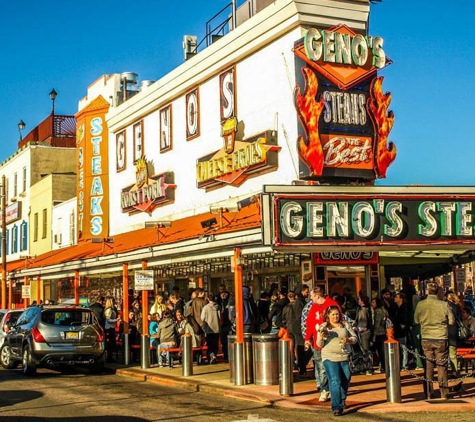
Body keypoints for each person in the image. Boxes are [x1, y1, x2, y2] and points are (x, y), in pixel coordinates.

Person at [414, 282, 454, 400]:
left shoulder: (421, 305)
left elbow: (416, 320)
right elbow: (451, 321)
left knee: (429, 366)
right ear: (437, 291)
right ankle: (444, 393)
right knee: (442, 366)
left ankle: (429, 393)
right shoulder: (444, 305)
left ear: (427, 291)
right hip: (441, 337)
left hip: (426, 337)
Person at [316, 305, 357, 417]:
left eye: (337, 314)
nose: (335, 316)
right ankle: (336, 407)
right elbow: (319, 344)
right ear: (328, 316)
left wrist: (348, 340)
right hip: (329, 357)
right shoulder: (324, 327)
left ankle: (342, 400)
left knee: (345, 379)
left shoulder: (345, 325)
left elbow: (355, 338)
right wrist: (321, 336)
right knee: (335, 380)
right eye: (333, 314)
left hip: (344, 356)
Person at [304, 286, 340, 402]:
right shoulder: (313, 308)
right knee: (320, 366)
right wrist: (307, 338)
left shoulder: (332, 305)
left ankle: (329, 388)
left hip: (330, 341)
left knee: (329, 366)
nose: (311, 297)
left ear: (317, 295)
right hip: (317, 341)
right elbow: (309, 323)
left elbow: (339, 320)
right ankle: (324, 388)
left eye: (312, 295)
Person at [282, 292, 305, 375]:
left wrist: (285, 325)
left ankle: (292, 364)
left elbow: (283, 318)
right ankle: (302, 367)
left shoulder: (286, 307)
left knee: (291, 347)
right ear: (295, 296)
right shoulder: (300, 305)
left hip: (289, 328)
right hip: (298, 328)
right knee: (299, 347)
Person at [354, 294, 373, 374]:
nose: (358, 301)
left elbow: (363, 325)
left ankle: (368, 368)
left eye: (359, 299)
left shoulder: (363, 311)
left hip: (364, 333)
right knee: (365, 350)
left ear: (362, 301)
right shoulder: (366, 309)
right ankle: (366, 367)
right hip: (365, 332)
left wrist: (357, 329)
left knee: (365, 350)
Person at [201, 292, 221, 364]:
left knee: (209, 344)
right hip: (217, 328)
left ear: (208, 298)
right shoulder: (218, 306)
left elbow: (202, 318)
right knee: (215, 343)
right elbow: (220, 317)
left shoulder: (205, 308)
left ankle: (211, 355)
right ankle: (214, 355)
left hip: (209, 329)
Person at [446, 292, 462, 377]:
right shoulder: (457, 307)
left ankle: (447, 371)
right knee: (453, 353)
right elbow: (460, 319)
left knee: (444, 352)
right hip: (454, 332)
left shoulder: (445, 306)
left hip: (446, 331)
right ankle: (455, 371)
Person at [371, 297, 388, 373]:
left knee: (380, 352)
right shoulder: (384, 310)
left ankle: (383, 367)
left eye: (373, 302)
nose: (372, 304)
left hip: (379, 333)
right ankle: (384, 366)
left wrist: (374, 336)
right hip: (384, 333)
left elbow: (377, 324)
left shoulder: (377, 311)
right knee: (383, 351)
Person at [394, 292, 409, 370]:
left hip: (402, 331)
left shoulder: (403, 308)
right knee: (401, 348)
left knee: (403, 348)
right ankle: (402, 364)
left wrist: (402, 327)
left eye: (397, 297)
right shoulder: (397, 308)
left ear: (401, 299)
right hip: (397, 331)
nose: (395, 298)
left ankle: (404, 365)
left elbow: (404, 320)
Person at [104, 297, 120, 363]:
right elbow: (108, 319)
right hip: (109, 328)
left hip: (111, 327)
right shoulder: (109, 310)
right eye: (112, 301)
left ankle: (110, 357)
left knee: (112, 343)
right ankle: (109, 358)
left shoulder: (113, 309)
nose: (113, 302)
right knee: (111, 344)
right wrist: (116, 320)